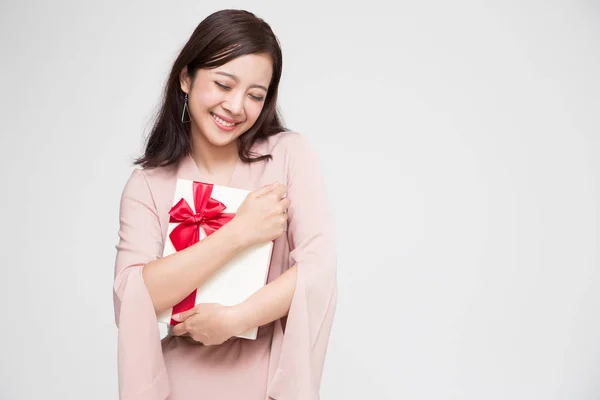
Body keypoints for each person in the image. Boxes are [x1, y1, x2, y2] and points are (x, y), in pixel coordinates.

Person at [112, 9, 338, 400]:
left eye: (255, 95)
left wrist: (236, 319)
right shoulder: (148, 184)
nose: (235, 106)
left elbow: (319, 269)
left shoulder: (287, 155)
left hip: (267, 381)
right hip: (179, 383)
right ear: (186, 77)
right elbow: (134, 295)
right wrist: (237, 234)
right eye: (223, 84)